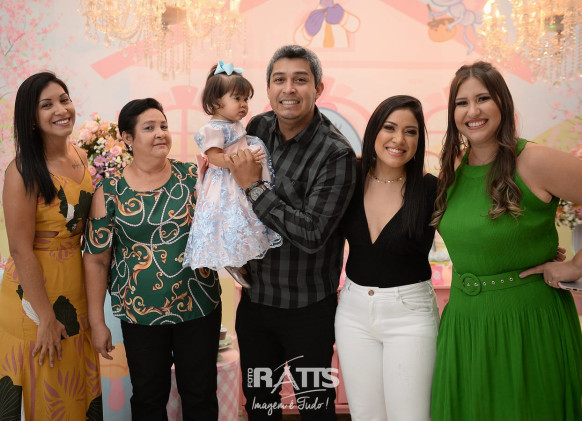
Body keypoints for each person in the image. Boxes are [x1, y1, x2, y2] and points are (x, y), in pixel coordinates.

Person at [430, 61, 582, 421]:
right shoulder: (452, 167)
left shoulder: (534, 159)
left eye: (483, 98)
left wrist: (576, 265)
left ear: (503, 103)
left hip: (529, 323)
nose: (473, 111)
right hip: (465, 323)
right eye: (462, 102)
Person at [228, 45, 357, 420]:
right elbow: (237, 204)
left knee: (315, 407)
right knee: (260, 406)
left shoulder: (336, 153)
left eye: (300, 80)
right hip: (256, 302)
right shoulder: (257, 128)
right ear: (268, 88)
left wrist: (254, 188)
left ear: (318, 88)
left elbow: (312, 233)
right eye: (279, 79)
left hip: (308, 309)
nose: (289, 89)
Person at [83, 98, 222, 421]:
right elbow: (96, 260)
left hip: (198, 308)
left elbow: (221, 229)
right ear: (127, 138)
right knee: (148, 398)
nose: (161, 133)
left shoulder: (194, 176)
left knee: (200, 395)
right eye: (149, 127)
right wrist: (96, 321)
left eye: (163, 126)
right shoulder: (110, 191)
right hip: (139, 315)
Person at [0, 72, 102, 419]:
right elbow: (20, 249)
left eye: (64, 99)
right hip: (35, 298)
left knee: (76, 389)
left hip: (75, 287)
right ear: (31, 118)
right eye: (47, 105)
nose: (61, 109)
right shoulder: (22, 171)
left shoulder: (80, 155)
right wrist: (45, 316)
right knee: (50, 391)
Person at [335, 95, 439, 421]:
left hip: (411, 315)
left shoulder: (431, 189)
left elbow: (470, 236)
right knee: (365, 415)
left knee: (411, 416)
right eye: (390, 128)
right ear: (374, 131)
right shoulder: (349, 177)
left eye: (410, 131)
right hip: (353, 313)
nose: (399, 139)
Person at [182, 61, 282, 288]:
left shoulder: (234, 124)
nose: (243, 104)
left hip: (240, 177)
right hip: (226, 181)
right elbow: (214, 156)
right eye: (237, 98)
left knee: (245, 219)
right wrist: (238, 161)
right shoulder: (213, 128)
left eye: (246, 99)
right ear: (216, 103)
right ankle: (232, 260)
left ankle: (242, 257)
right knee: (230, 217)